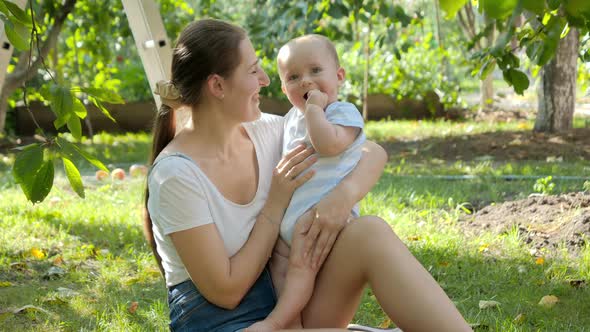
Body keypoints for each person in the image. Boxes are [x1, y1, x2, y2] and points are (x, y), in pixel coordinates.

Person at [145, 18, 472, 332]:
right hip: (227, 324)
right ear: (217, 85)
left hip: (287, 307)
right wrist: (275, 204)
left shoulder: (267, 132)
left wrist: (342, 197)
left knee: (369, 231)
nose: (265, 79)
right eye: (253, 69)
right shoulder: (176, 176)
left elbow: (371, 152)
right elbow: (226, 293)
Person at [247, 34, 367, 330]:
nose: (305, 82)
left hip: (319, 218)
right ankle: (292, 325)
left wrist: (314, 110)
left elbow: (328, 145)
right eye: (293, 77)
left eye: (315, 71)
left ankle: (275, 323)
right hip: (292, 221)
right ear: (285, 87)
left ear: (338, 76)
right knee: (280, 273)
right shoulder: (290, 118)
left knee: (300, 270)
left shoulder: (342, 113)